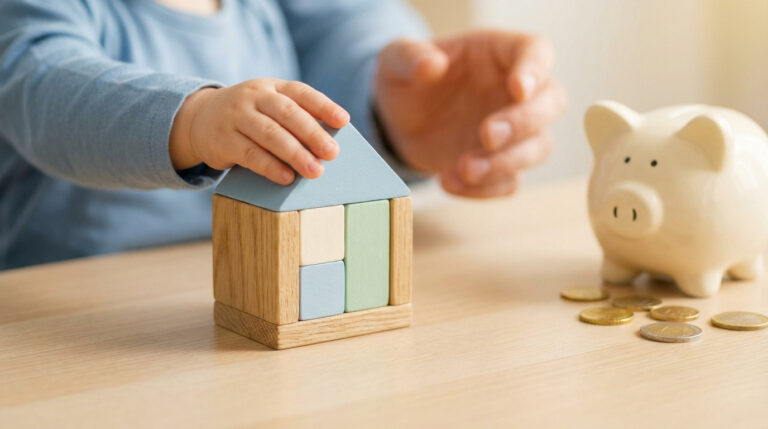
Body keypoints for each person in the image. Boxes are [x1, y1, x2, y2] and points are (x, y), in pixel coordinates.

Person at [0, 0, 567, 270]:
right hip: (68, 323)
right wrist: (194, 118)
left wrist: (401, 112)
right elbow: (40, 85)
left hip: (258, 282)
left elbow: (350, 20)